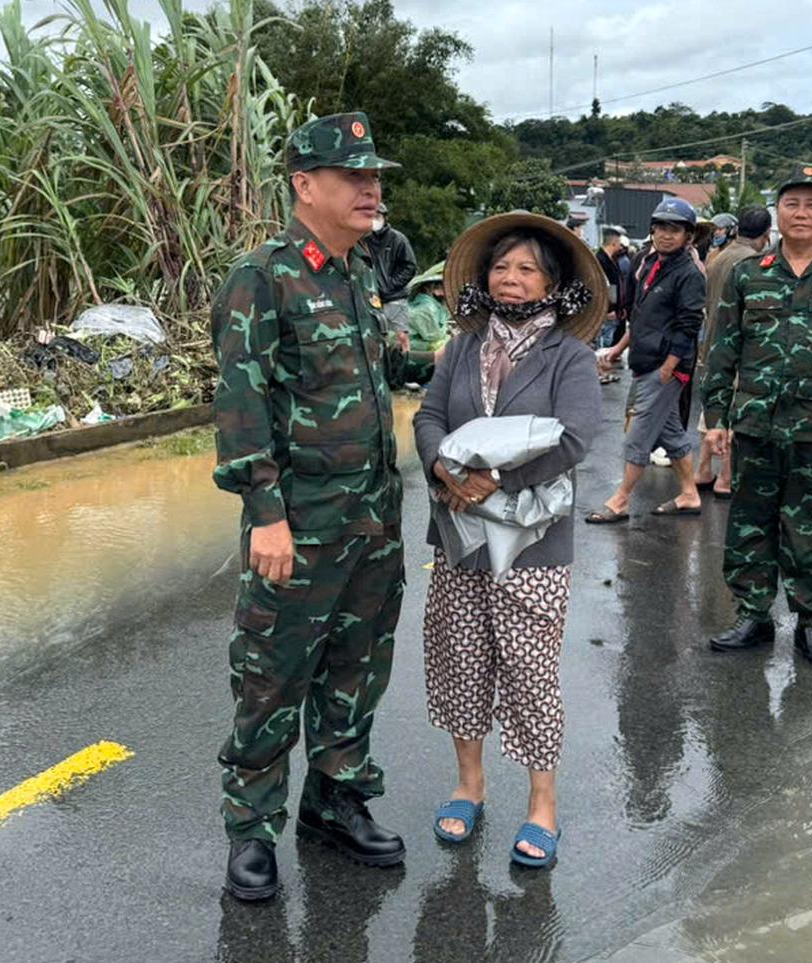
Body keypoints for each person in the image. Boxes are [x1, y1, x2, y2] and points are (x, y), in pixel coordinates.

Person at [211, 112, 435, 902]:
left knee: (356, 666)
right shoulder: (263, 277)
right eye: (354, 176)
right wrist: (266, 514)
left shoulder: (358, 271)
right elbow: (241, 405)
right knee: (272, 674)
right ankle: (251, 827)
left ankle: (335, 800)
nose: (371, 189)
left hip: (372, 520)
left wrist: (464, 355)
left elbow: (380, 370)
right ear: (305, 185)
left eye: (375, 177)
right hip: (299, 523)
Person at [413, 213, 604, 870]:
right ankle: (469, 785)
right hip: (459, 533)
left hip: (533, 542)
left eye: (527, 269)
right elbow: (429, 415)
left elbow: (575, 438)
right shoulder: (462, 347)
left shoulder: (570, 357)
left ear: (552, 284)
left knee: (529, 669)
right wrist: (443, 468)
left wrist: (496, 479)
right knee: (461, 658)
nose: (511, 279)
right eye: (501, 267)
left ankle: (542, 803)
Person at [700, 163, 812, 670]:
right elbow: (723, 349)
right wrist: (715, 416)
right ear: (777, 211)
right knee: (750, 523)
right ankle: (753, 615)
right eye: (792, 204)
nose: (802, 213)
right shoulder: (747, 274)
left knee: (810, 528)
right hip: (755, 423)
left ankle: (811, 622)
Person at [588, 196, 707, 523]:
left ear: (688, 236)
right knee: (671, 432)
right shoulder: (652, 264)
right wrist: (617, 349)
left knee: (638, 433)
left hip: (665, 368)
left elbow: (689, 324)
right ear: (653, 230)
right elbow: (640, 318)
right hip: (645, 363)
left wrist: (669, 367)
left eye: (675, 229)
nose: (666, 235)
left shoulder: (689, 273)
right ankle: (689, 494)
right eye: (661, 228)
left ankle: (620, 500)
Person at [693, 206, 771, 499]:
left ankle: (703, 469)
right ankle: (726, 477)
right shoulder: (754, 263)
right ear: (766, 234)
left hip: (711, 343)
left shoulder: (718, 257)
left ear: (737, 230)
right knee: (737, 411)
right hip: (738, 348)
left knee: (712, 408)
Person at [365, 202, 418, 346]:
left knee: (402, 337)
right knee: (377, 338)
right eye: (372, 216)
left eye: (378, 216)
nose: (375, 219)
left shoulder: (398, 239)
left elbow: (410, 266)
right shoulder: (364, 240)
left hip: (395, 297)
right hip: (372, 298)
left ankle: (406, 358)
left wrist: (391, 284)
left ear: (385, 218)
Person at [595, 226, 632, 384]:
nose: (621, 247)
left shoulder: (612, 260)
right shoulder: (600, 261)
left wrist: (620, 307)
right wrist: (606, 309)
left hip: (615, 309)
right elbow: (601, 288)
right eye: (619, 243)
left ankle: (603, 371)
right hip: (606, 310)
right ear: (614, 243)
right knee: (603, 343)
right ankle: (598, 372)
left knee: (608, 342)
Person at [403, 261, 452, 354]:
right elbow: (434, 336)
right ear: (431, 288)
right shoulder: (427, 308)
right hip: (409, 348)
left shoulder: (433, 304)